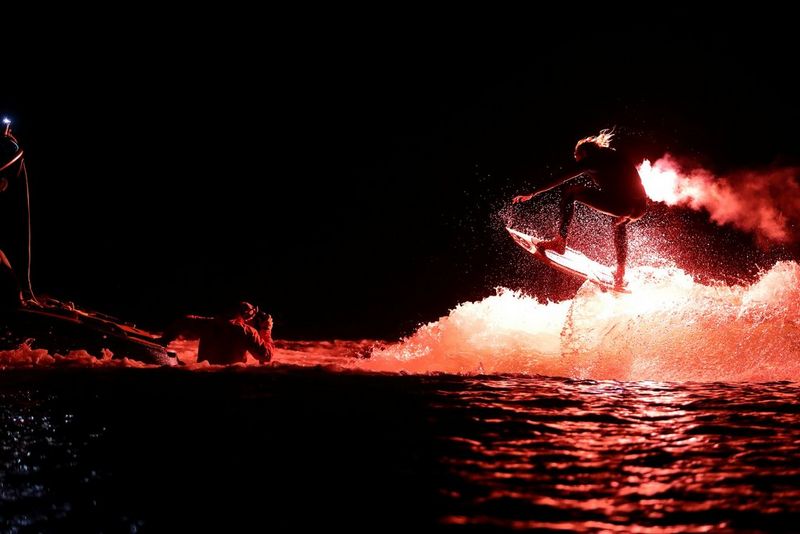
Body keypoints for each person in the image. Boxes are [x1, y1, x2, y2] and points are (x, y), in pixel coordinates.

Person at [512, 128, 647, 288]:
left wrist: (532, 192)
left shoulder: (592, 160)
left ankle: (559, 242)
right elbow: (632, 180)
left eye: (578, 159)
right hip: (640, 207)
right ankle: (621, 270)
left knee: (571, 192)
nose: (579, 164)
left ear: (583, 153)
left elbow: (561, 177)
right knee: (618, 222)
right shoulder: (613, 155)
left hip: (623, 204)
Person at [160, 301, 274, 365]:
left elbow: (183, 321)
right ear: (246, 315)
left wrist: (164, 341)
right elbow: (266, 357)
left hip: (204, 375)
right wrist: (266, 330)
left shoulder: (206, 324)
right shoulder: (247, 332)